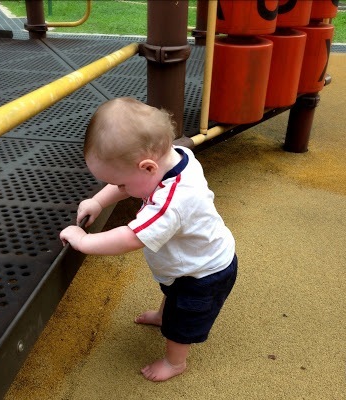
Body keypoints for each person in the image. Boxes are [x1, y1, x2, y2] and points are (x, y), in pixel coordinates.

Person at [60, 97, 238, 382]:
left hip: (205, 273)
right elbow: (124, 186)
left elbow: (131, 237)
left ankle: (175, 362)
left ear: (147, 168)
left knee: (183, 321)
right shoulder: (173, 156)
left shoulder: (173, 201)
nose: (118, 188)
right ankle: (162, 316)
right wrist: (97, 201)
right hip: (187, 266)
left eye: (120, 182)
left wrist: (83, 242)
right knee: (174, 293)